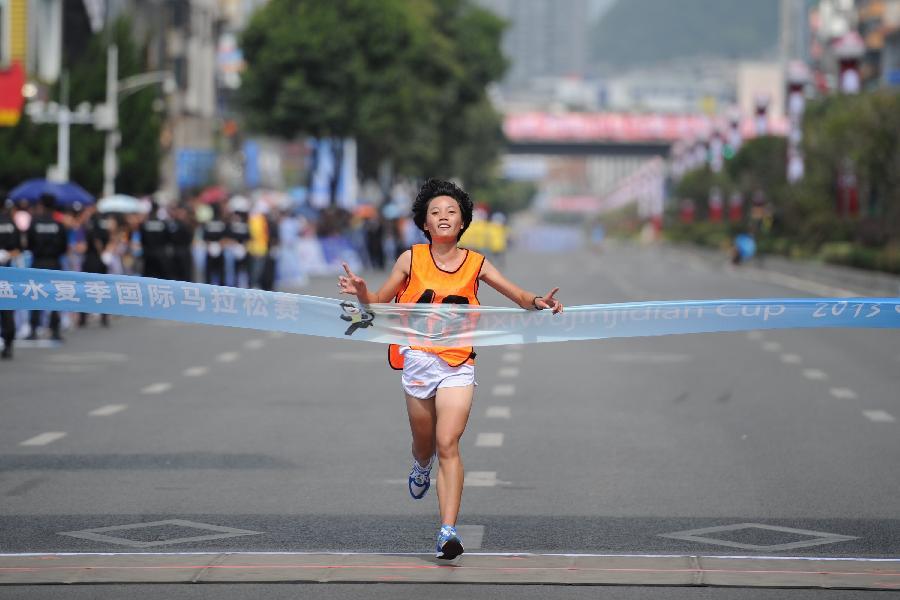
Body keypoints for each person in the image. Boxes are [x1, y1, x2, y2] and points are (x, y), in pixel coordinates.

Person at [338, 179, 563, 560]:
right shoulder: (411, 259)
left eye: (451, 212)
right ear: (425, 224)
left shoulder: (476, 263)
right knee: (425, 445)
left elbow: (517, 295)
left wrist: (537, 301)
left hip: (458, 362)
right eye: (435, 213)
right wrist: (362, 291)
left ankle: (447, 531)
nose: (443, 217)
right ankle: (420, 465)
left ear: (463, 222)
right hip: (418, 360)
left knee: (448, 442)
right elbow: (378, 302)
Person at [26, 193, 68, 341]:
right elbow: (64, 246)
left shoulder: (35, 222)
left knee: (35, 295)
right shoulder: (59, 224)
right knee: (55, 296)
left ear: (41, 204)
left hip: (38, 261)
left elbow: (29, 243)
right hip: (54, 262)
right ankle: (55, 329)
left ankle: (33, 329)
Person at [0, 198, 22, 358]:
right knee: (7, 308)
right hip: (7, 273)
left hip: (6, 271)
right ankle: (8, 343)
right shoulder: (12, 224)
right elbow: (19, 248)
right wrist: (7, 254)